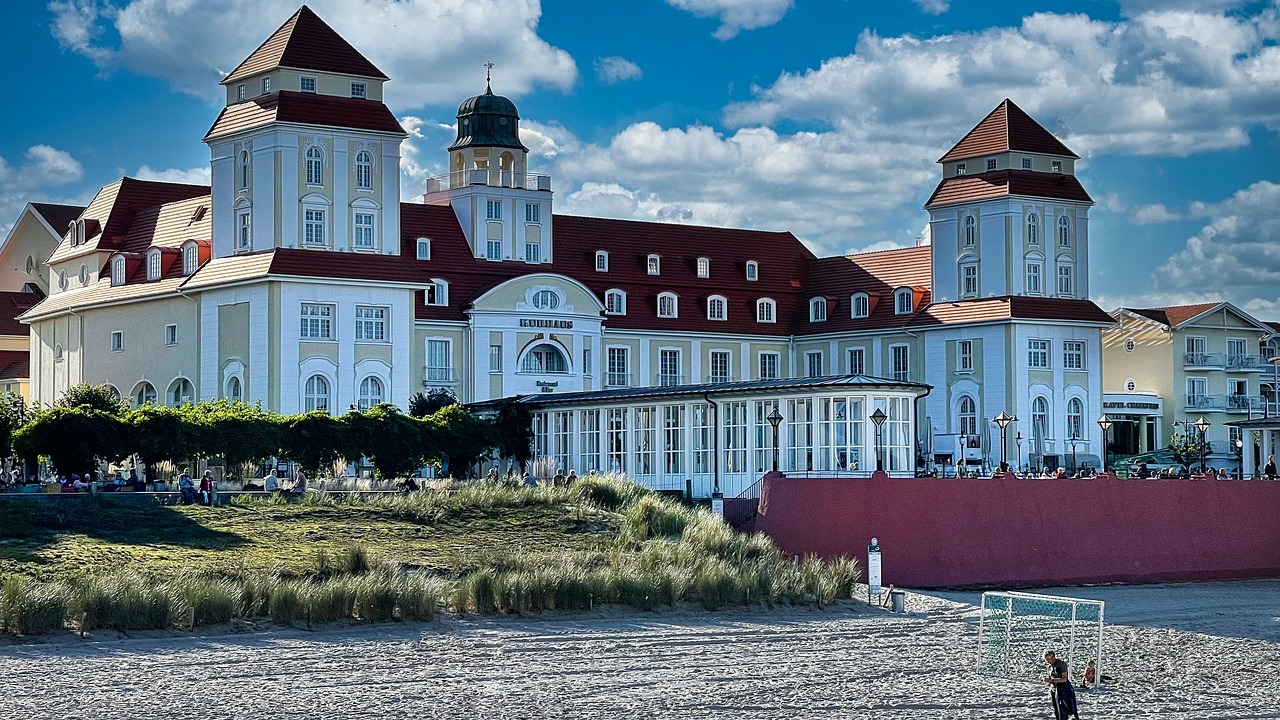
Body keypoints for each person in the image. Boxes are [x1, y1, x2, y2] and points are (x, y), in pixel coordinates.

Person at [1043, 650, 1081, 720]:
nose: (1047, 661)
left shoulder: (1061, 664)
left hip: (1063, 689)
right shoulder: (1049, 667)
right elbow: (1051, 678)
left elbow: (1064, 679)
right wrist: (1048, 681)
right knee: (1056, 709)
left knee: (1064, 708)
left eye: (1049, 659)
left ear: (1053, 658)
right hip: (1054, 689)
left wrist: (1053, 680)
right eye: (1046, 660)